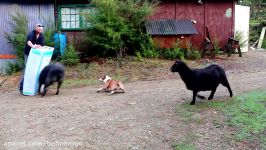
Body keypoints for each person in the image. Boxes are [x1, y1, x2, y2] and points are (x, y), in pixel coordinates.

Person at [18, 24, 45, 94]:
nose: (40, 31)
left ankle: (33, 87)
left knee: (35, 70)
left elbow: (42, 44)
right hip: (28, 54)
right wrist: (33, 46)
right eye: (39, 29)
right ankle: (21, 86)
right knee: (27, 70)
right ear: (36, 28)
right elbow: (28, 42)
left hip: (36, 55)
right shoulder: (31, 34)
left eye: (41, 30)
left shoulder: (41, 35)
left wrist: (40, 46)